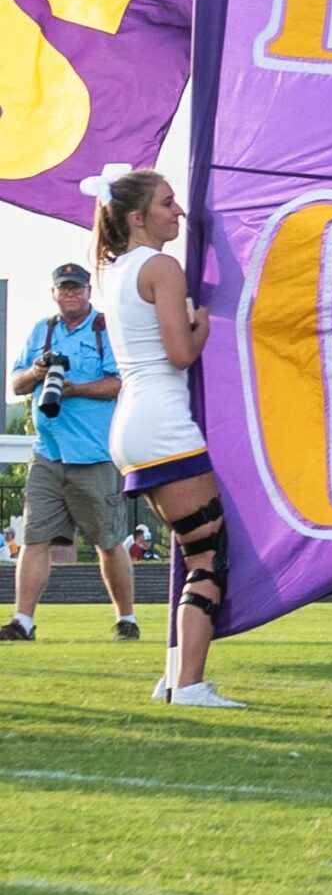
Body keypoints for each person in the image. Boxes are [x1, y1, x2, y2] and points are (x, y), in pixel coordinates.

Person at [91, 170, 242, 707]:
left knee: (190, 551)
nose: (179, 212)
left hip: (134, 423)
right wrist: (202, 325)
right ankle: (190, 684)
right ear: (137, 218)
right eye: (167, 203)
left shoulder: (114, 270)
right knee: (208, 554)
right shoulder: (160, 265)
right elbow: (181, 353)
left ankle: (174, 675)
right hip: (161, 422)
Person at [4, 261, 138, 644]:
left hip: (93, 455)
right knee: (34, 539)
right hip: (48, 454)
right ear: (54, 293)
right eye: (64, 288)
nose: (71, 294)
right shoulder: (42, 331)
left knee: (108, 542)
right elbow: (16, 384)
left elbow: (119, 382)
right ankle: (23, 622)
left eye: (77, 288)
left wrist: (73, 387)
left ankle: (126, 618)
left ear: (88, 292)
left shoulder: (105, 330)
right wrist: (38, 371)